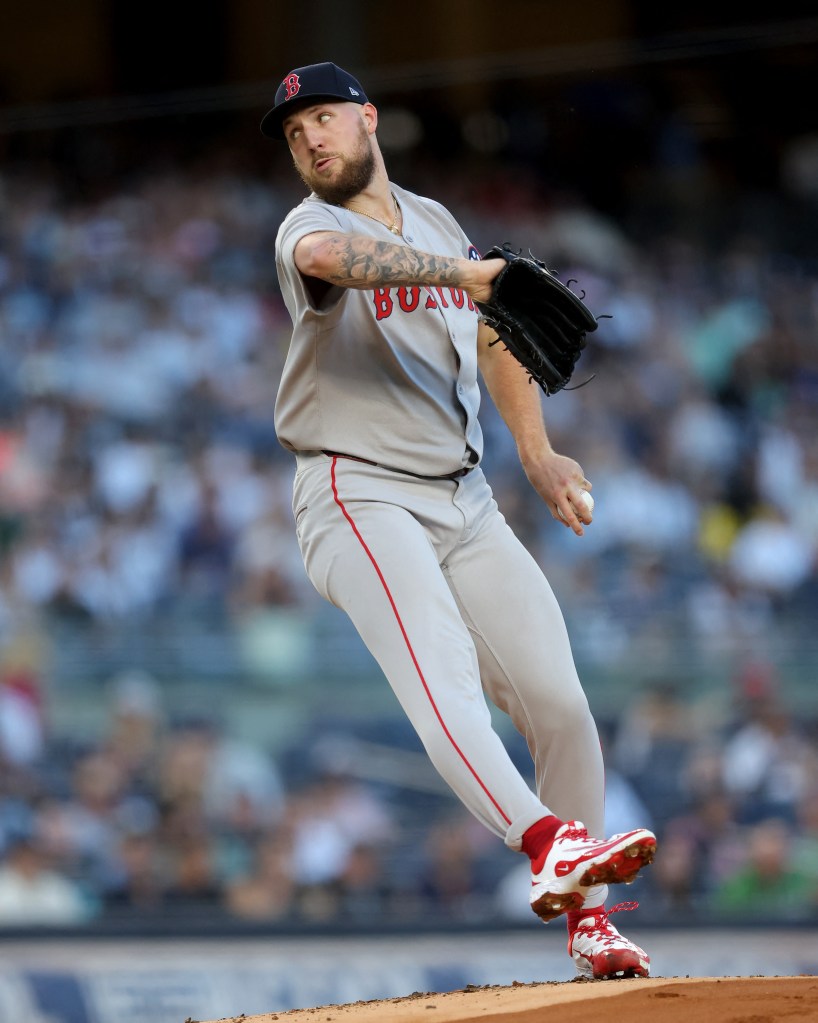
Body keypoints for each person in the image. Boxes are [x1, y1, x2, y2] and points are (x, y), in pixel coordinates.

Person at [260, 61, 656, 980]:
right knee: (443, 680)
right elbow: (330, 264)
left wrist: (538, 449)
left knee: (560, 706)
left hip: (464, 499)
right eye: (293, 133)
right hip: (358, 493)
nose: (310, 139)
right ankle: (547, 840)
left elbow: (493, 331)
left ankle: (589, 923)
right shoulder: (308, 227)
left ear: (367, 120)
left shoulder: (436, 221)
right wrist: (474, 273)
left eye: (322, 118)